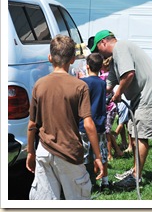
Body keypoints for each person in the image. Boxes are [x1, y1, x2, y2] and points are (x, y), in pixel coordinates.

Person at [90, 30, 152, 190]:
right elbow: (109, 83)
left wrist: (119, 93)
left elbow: (128, 74)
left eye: (97, 49)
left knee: (140, 136)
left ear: (104, 43)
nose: (98, 54)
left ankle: (136, 177)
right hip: (140, 97)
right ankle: (135, 170)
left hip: (150, 94)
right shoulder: (116, 57)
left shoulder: (121, 47)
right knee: (133, 134)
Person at [26, 35, 103, 200]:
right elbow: (88, 124)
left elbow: (32, 124)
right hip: (69, 153)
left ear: (49, 58)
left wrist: (31, 152)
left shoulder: (39, 84)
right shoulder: (80, 86)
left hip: (44, 151)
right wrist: (98, 156)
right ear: (73, 59)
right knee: (77, 200)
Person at [79, 53, 111, 192]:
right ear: (100, 67)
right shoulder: (102, 83)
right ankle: (105, 182)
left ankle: (90, 182)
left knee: (85, 155)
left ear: (87, 66)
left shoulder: (83, 82)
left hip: (84, 124)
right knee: (102, 153)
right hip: (100, 124)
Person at [100, 57, 124, 161]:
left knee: (106, 132)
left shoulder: (104, 76)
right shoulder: (105, 75)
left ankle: (109, 154)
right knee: (107, 131)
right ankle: (118, 151)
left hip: (109, 107)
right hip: (109, 107)